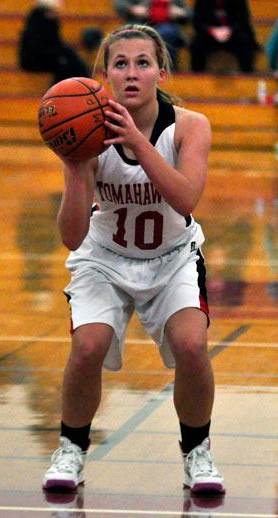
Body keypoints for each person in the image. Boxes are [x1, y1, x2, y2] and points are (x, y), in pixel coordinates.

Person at [42, 23, 226, 494]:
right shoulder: (87, 134)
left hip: (172, 257)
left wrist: (138, 142)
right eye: (119, 64)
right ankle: (72, 448)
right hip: (103, 257)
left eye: (142, 62)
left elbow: (185, 200)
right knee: (87, 346)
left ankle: (197, 452)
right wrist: (74, 167)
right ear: (104, 75)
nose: (131, 73)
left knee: (191, 346)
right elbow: (71, 236)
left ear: (161, 72)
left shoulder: (190, 126)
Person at [18, 0, 90, 84]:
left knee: (71, 59)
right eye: (53, 11)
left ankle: (84, 84)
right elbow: (36, 48)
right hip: (33, 60)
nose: (55, 14)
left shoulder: (51, 22)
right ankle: (57, 92)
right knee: (65, 65)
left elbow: (55, 42)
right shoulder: (35, 25)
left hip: (48, 56)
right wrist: (58, 55)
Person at [113, 0, 191, 70]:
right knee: (135, 33)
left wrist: (180, 12)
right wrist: (133, 9)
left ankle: (167, 69)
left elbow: (189, 13)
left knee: (167, 33)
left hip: (167, 23)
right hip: (139, 22)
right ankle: (134, 69)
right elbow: (119, 5)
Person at [189, 0, 259, 73]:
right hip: (209, 36)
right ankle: (197, 76)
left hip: (233, 35)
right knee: (196, 44)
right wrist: (213, 31)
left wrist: (230, 30)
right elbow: (197, 22)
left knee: (245, 42)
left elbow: (243, 20)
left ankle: (247, 76)